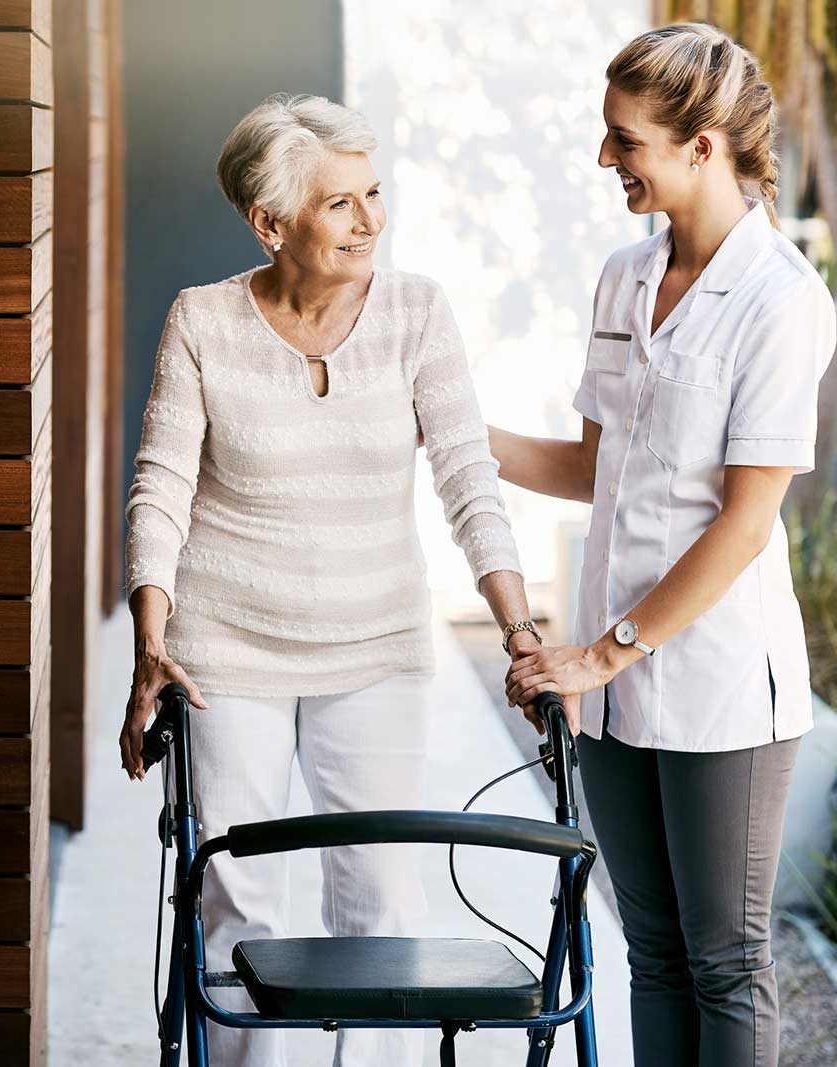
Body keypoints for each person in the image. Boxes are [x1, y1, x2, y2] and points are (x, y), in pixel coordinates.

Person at [120, 92, 539, 1067]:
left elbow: (466, 474)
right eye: (339, 203)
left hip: (375, 646)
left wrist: (516, 625)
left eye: (373, 193)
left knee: (380, 898)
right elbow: (161, 487)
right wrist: (150, 641)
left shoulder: (414, 312)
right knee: (239, 894)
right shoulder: (203, 321)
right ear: (269, 224)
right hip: (226, 648)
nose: (370, 220)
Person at [491, 24, 835, 1067]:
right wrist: (450, 429)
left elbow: (743, 519)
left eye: (624, 140)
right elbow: (596, 467)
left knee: (726, 960)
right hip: (622, 682)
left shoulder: (781, 299)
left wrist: (600, 652)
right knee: (651, 949)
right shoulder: (622, 278)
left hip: (721, 684)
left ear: (701, 146)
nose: (606, 160)